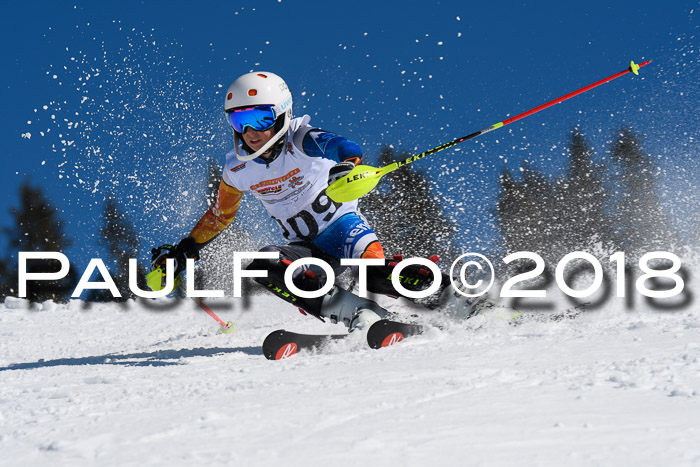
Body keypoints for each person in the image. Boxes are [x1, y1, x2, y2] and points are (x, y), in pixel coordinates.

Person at [150, 71, 447, 330]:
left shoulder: (300, 139)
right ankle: (356, 314)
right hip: (306, 248)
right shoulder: (237, 168)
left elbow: (343, 146)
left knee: (371, 272)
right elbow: (220, 215)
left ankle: (451, 295)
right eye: (240, 120)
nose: (251, 132)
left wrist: (348, 164)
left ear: (282, 115)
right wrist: (184, 251)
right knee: (263, 263)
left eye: (260, 118)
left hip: (344, 230)